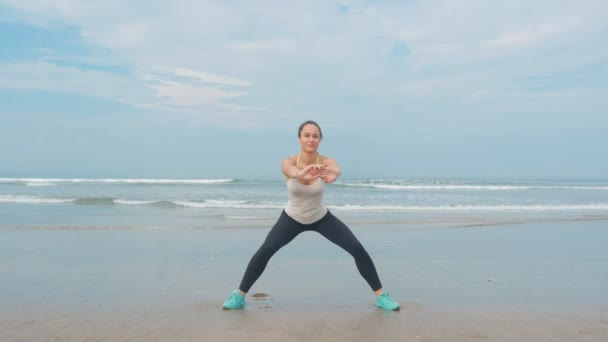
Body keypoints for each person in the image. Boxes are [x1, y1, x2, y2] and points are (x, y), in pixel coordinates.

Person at [222, 120, 400, 311]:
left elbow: (336, 169)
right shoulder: (288, 162)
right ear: (299, 138)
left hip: (320, 217)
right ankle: (239, 296)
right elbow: (291, 171)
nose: (311, 139)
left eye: (315, 136)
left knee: (356, 248)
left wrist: (334, 173)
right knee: (266, 250)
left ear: (320, 139)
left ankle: (381, 297)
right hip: (292, 218)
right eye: (307, 135)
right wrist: (301, 173)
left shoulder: (326, 162)